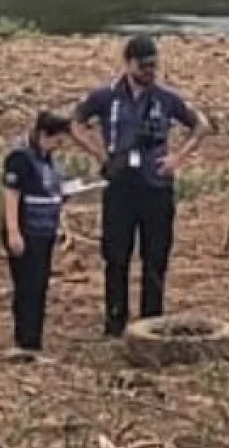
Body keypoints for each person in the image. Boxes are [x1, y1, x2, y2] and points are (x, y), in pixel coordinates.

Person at [71, 33, 209, 338]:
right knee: (116, 256)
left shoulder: (165, 97)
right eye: (144, 66)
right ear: (129, 63)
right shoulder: (106, 96)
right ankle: (115, 322)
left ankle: (151, 322)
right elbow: (75, 121)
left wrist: (177, 158)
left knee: (155, 256)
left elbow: (201, 124)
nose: (150, 72)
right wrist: (99, 153)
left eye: (153, 66)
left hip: (155, 185)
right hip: (120, 185)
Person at [0, 111, 73, 355]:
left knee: (39, 285)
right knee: (26, 287)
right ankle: (24, 341)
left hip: (44, 231)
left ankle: (35, 339)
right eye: (57, 141)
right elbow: (11, 195)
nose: (58, 147)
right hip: (26, 230)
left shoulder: (47, 159)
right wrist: (13, 232)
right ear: (43, 134)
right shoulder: (20, 158)